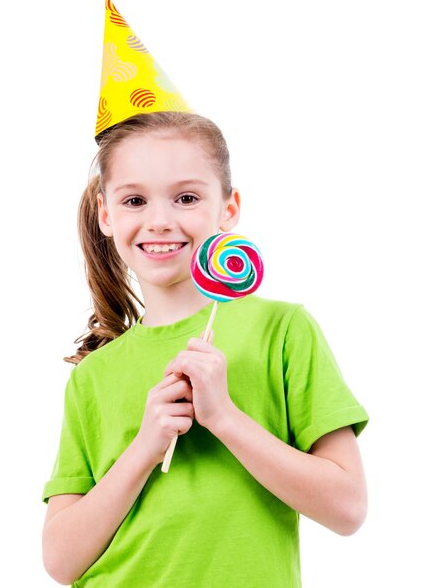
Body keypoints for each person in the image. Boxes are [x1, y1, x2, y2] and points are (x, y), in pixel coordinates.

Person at [41, 110, 369, 587]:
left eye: (187, 197)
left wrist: (224, 417)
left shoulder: (280, 330)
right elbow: (59, 560)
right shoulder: (93, 375)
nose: (159, 221)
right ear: (106, 214)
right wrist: (145, 447)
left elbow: (348, 508)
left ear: (228, 209)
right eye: (134, 200)